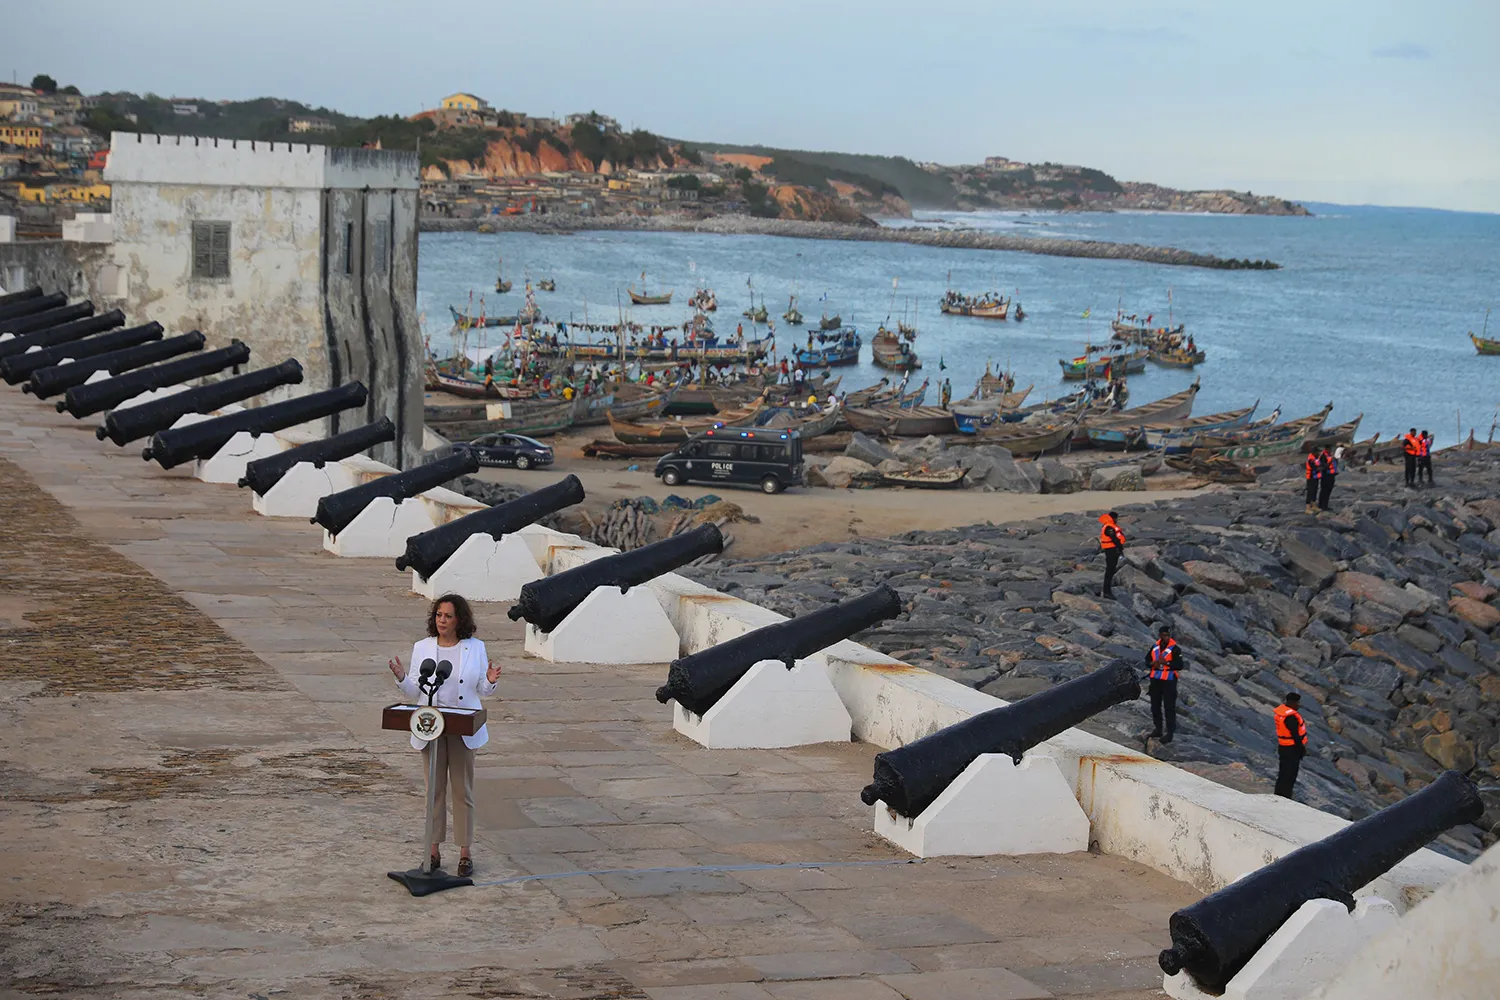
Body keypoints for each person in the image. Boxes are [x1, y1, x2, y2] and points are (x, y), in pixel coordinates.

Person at [387, 594, 502, 877]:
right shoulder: (422, 647)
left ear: (459, 619)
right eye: (439, 615)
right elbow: (416, 690)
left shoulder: (475, 648)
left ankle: (465, 852)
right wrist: (402, 677)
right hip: (431, 726)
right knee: (434, 791)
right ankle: (433, 850)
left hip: (463, 728)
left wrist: (489, 680)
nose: (442, 621)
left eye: (448, 616)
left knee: (463, 791)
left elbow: (481, 690)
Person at [1145, 625, 1182, 744]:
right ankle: (1158, 729)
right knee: (1155, 706)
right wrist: (1152, 664)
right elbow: (1146, 660)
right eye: (1164, 635)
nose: (1166, 637)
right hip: (1155, 680)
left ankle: (1170, 732)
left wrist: (1167, 663)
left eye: (1168, 635)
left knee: (1169, 707)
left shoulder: (1175, 649)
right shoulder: (1155, 647)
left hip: (1169, 680)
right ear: (1160, 635)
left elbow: (1180, 665)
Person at [1273, 692, 1308, 799]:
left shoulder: (1281, 713)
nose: (1298, 705)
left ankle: (1278, 793)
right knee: (1290, 774)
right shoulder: (1290, 717)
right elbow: (1295, 736)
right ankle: (1285, 796)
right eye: (1297, 702)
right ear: (1291, 702)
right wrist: (1302, 749)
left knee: (1283, 772)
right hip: (1292, 749)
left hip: (1283, 747)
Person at [1098, 511, 1125, 599]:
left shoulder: (1108, 526)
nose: (1117, 520)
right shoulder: (1109, 527)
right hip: (1111, 550)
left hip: (1112, 550)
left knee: (1111, 570)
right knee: (1109, 571)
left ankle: (1107, 590)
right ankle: (1106, 592)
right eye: (1116, 518)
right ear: (1113, 518)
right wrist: (1120, 549)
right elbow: (1115, 539)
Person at [1316, 446, 1337, 511]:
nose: (1330, 450)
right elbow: (1322, 466)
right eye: (1329, 449)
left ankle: (1324, 505)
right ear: (1326, 449)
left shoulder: (1329, 455)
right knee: (1325, 491)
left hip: (1331, 475)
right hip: (1326, 476)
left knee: (1327, 491)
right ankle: (1323, 506)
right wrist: (1329, 464)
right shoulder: (1323, 456)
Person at [1303, 448, 1321, 514]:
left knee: (1315, 491)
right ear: (1314, 452)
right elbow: (1315, 468)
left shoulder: (1316, 458)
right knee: (1310, 492)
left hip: (1316, 477)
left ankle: (1314, 506)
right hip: (1311, 478)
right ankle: (1307, 508)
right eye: (1318, 452)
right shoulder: (1311, 459)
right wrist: (1321, 468)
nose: (1319, 453)